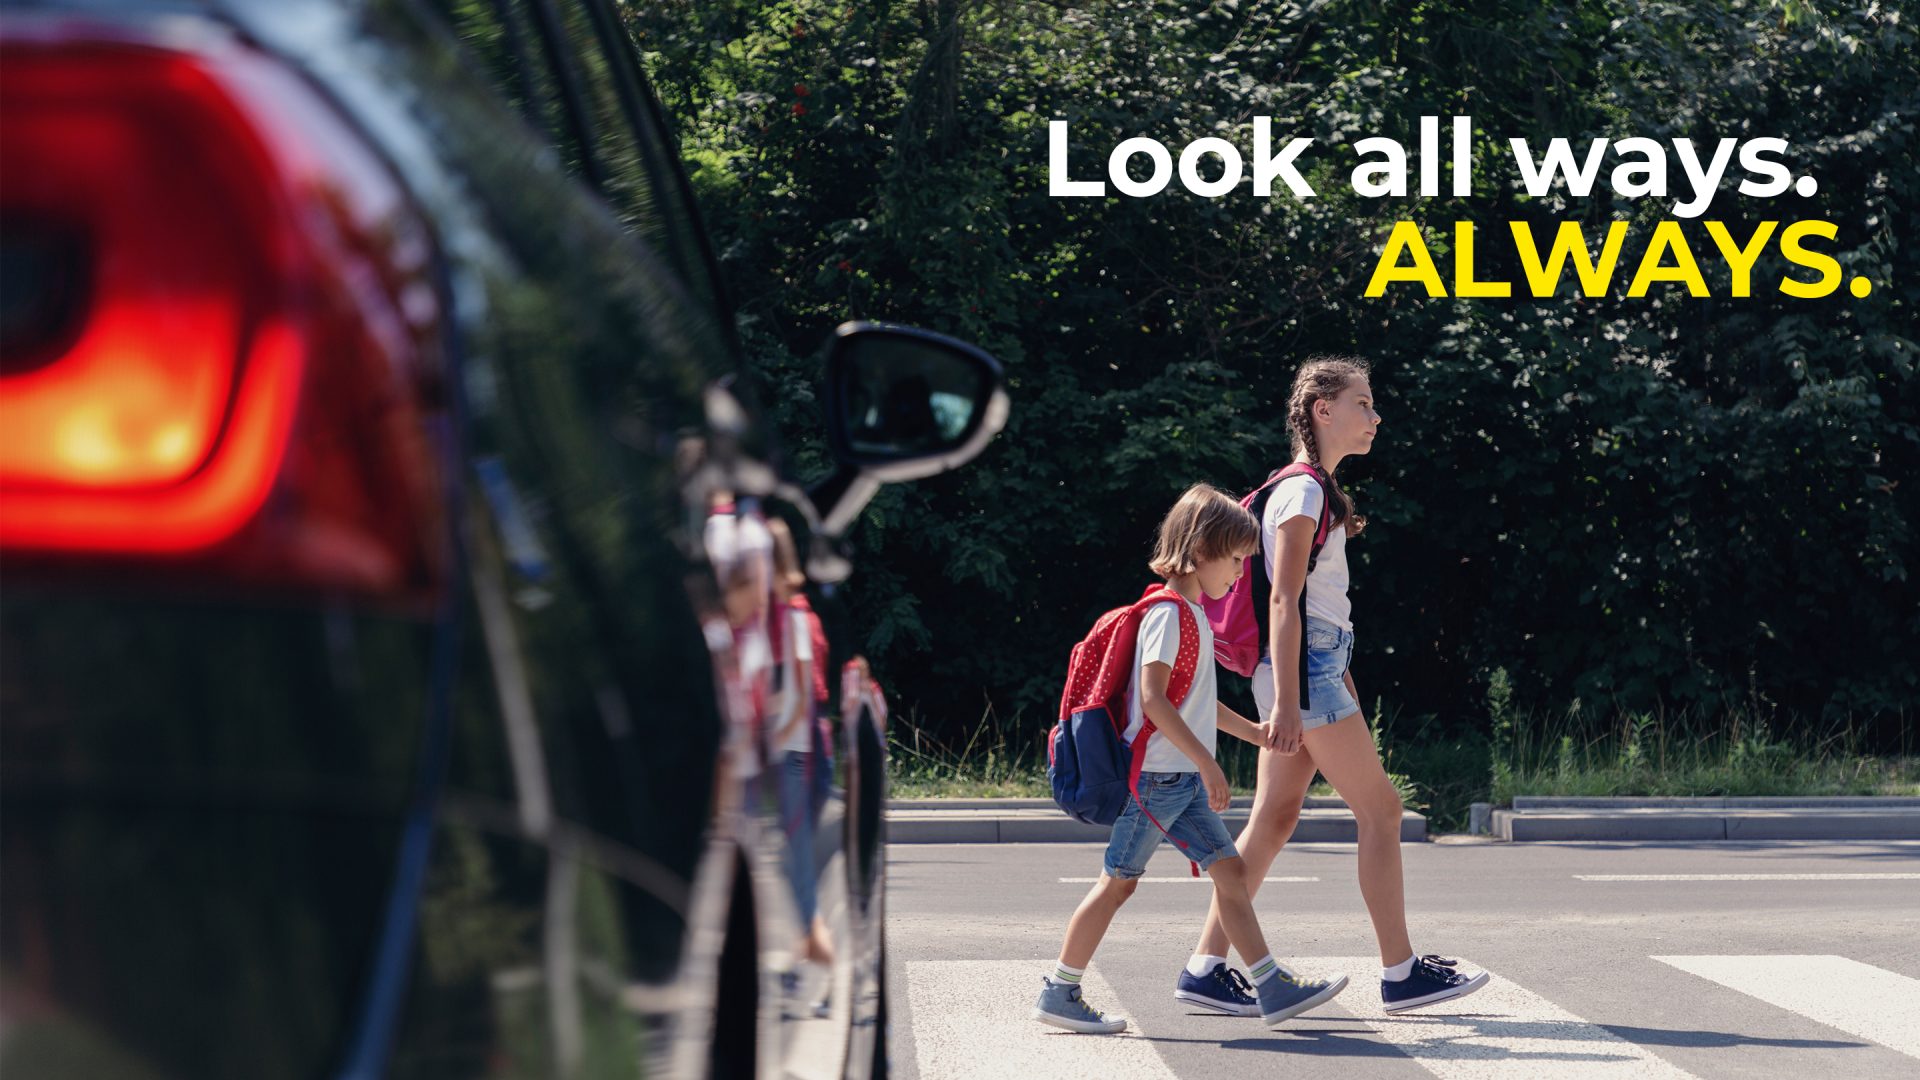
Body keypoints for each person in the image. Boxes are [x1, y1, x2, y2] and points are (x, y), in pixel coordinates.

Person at [1180, 356, 1489, 1017]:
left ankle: (1205, 965)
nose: (1374, 417)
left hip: (1312, 667)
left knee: (1274, 818)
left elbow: (1311, 605)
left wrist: (1327, 676)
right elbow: (1284, 602)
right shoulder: (1304, 493)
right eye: (1363, 403)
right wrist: (1293, 701)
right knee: (1381, 813)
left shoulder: (1307, 490)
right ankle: (1401, 972)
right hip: (1302, 671)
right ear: (1323, 409)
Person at [1033, 485, 1348, 1034]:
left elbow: (1196, 701)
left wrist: (1253, 732)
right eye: (1234, 561)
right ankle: (1061, 989)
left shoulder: (1192, 615)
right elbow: (1154, 699)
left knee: (1230, 872)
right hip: (1156, 781)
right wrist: (1208, 763)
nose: (1237, 576)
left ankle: (1270, 985)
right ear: (1200, 550)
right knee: (1118, 884)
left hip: (1174, 780)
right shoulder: (1167, 614)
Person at [767, 519, 837, 1018]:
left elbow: (797, 697)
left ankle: (827, 977)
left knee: (797, 877)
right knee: (791, 872)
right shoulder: (794, 613)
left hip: (793, 757)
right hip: (798, 756)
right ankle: (797, 975)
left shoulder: (790, 617)